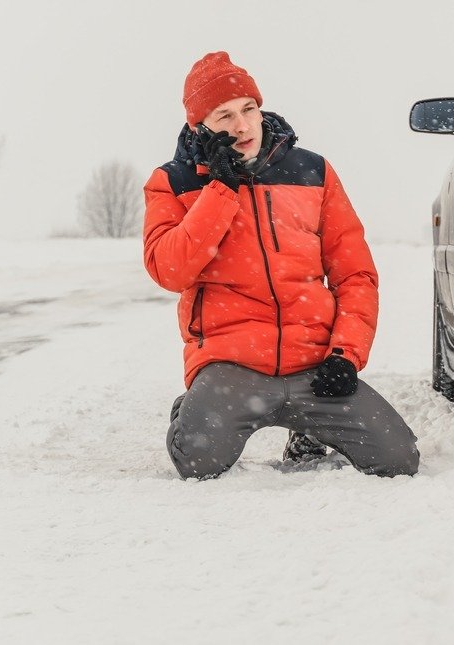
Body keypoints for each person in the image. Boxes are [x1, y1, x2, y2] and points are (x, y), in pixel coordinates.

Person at [143, 51, 419, 480]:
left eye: (248, 109)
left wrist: (345, 355)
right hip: (231, 365)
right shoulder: (173, 182)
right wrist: (219, 189)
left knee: (398, 460)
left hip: (314, 366)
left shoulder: (313, 171)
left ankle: (307, 429)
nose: (241, 126)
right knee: (198, 462)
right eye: (224, 116)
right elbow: (169, 270)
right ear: (200, 126)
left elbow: (355, 274)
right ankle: (194, 405)